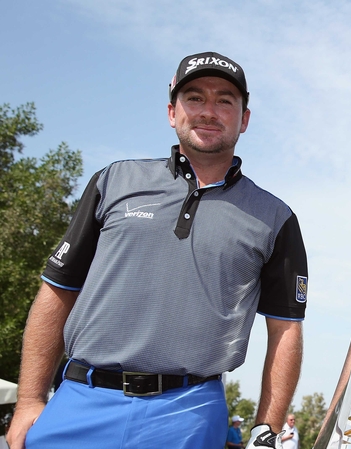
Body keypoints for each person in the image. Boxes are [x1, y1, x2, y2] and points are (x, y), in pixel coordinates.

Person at [6, 51, 308, 449]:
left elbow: (285, 328)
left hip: (190, 413)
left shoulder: (276, 218)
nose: (208, 111)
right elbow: (58, 289)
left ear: (244, 119)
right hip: (81, 401)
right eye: (194, 98)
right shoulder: (113, 181)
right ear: (172, 112)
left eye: (224, 100)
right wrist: (29, 399)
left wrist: (263, 430)